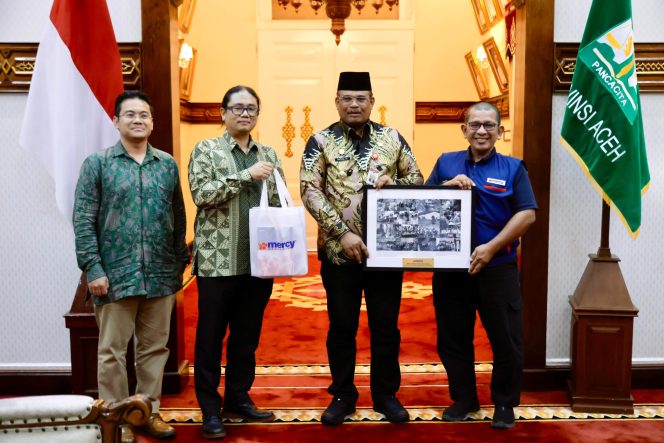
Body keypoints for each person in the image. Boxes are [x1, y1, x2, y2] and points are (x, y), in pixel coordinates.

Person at [300, 72, 424, 426]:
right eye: (347, 98)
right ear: (336, 102)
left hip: (387, 251)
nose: (354, 104)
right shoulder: (319, 141)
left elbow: (417, 179)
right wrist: (341, 234)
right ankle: (343, 394)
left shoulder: (391, 138)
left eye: (361, 98)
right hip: (339, 254)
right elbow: (310, 190)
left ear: (372, 102)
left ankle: (386, 395)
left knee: (386, 326)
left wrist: (394, 183)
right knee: (341, 326)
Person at [73, 91, 189, 443]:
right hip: (113, 276)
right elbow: (83, 219)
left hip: (160, 275)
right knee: (112, 352)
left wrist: (177, 265)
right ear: (116, 120)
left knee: (155, 349)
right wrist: (93, 268)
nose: (138, 120)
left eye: (144, 115)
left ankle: (147, 412)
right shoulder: (99, 164)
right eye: (130, 115)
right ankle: (116, 419)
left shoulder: (166, 164)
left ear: (152, 122)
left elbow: (178, 217)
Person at [425, 101, 537, 429]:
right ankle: (464, 399)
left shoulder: (513, 168)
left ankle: (504, 403)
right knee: (453, 338)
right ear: (464, 130)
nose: (482, 131)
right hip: (450, 270)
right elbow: (421, 201)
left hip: (497, 268)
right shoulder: (446, 163)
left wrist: (490, 249)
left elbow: (527, 213)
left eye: (489, 125)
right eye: (474, 125)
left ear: (500, 131)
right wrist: (446, 187)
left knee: (506, 338)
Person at [188, 85, 284, 439]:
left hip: (259, 263)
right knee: (210, 338)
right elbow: (202, 195)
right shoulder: (206, 150)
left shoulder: (268, 152)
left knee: (246, 337)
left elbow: (277, 202)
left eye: (252, 109)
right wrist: (246, 175)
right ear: (222, 112)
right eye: (238, 108)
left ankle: (238, 398)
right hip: (217, 263)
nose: (245, 114)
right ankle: (210, 409)